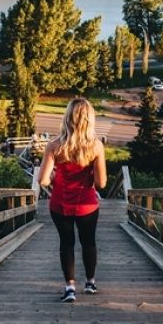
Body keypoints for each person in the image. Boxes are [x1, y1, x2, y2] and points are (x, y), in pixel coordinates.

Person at [37, 98, 107, 303]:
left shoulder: (54, 146)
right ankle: (91, 283)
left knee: (66, 244)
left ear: (67, 118)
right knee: (88, 242)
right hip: (87, 205)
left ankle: (69, 288)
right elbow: (101, 183)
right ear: (89, 120)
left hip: (60, 204)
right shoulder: (96, 146)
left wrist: (53, 177)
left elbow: (42, 180)